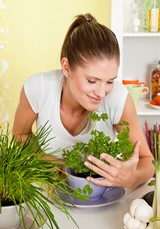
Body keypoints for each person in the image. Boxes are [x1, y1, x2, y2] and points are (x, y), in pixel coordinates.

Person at [12, 13, 155, 189]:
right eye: (92, 81)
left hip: (102, 196)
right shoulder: (38, 89)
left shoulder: (118, 97)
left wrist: (130, 177)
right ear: (66, 67)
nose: (102, 93)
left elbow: (147, 161)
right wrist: (53, 164)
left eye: (110, 81)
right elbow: (20, 135)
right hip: (50, 193)